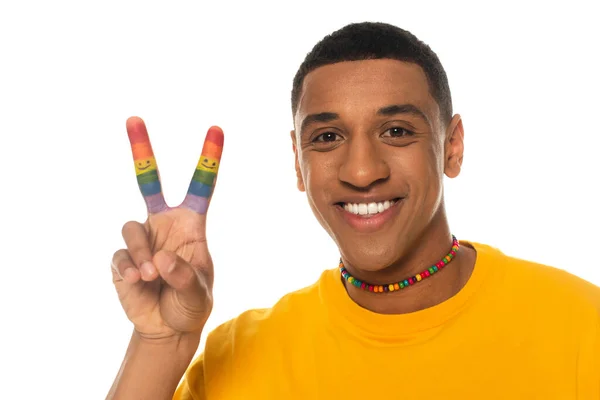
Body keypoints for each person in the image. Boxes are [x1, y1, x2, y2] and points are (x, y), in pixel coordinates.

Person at [107, 22, 600, 399]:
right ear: (298, 164)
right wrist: (159, 344)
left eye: (397, 131)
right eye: (327, 137)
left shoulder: (582, 327)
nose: (362, 172)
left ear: (452, 148)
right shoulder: (234, 358)